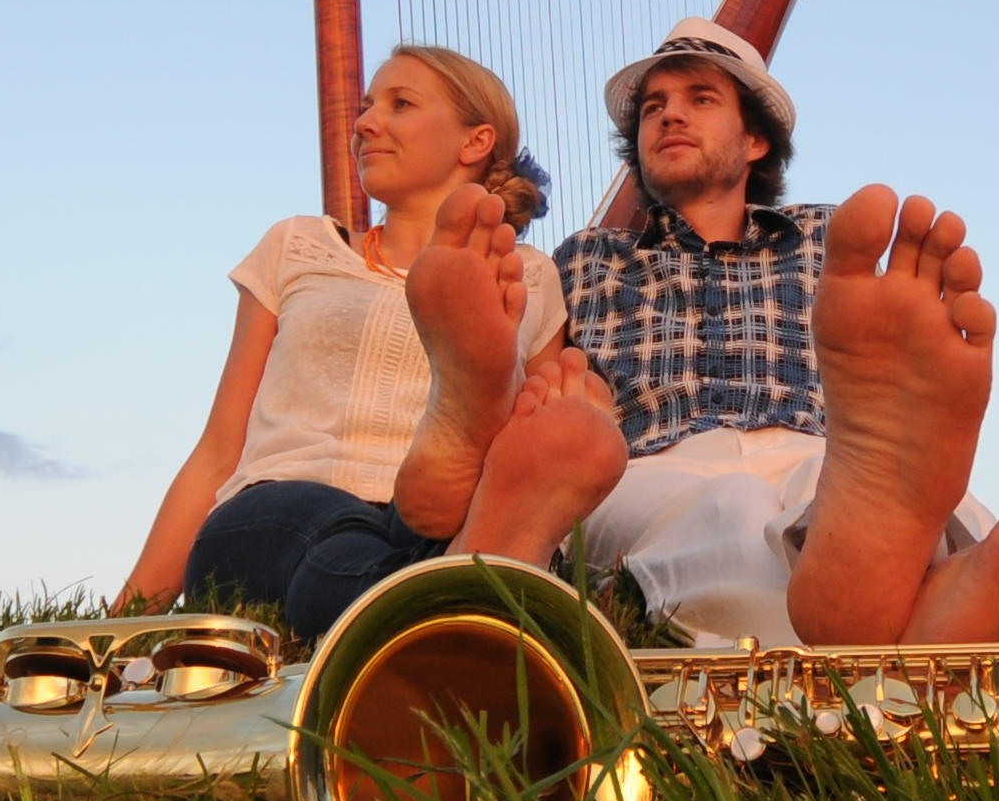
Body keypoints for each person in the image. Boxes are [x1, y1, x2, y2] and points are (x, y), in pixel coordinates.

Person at [556, 16, 999, 648]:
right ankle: (950, 607)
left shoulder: (828, 240)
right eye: (653, 108)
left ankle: (883, 572)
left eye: (701, 99)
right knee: (731, 509)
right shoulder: (586, 258)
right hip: (655, 460)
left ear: (755, 140)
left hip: (831, 455)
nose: (669, 115)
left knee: (835, 497)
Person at [119, 44, 629, 638]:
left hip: (443, 519)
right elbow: (220, 449)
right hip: (281, 502)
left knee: (467, 507)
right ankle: (468, 582)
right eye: (365, 108)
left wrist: (568, 415)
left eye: (399, 104)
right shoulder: (298, 246)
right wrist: (129, 619)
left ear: (475, 141)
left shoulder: (526, 276)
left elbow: (539, 441)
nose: (364, 123)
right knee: (340, 540)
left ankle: (455, 529)